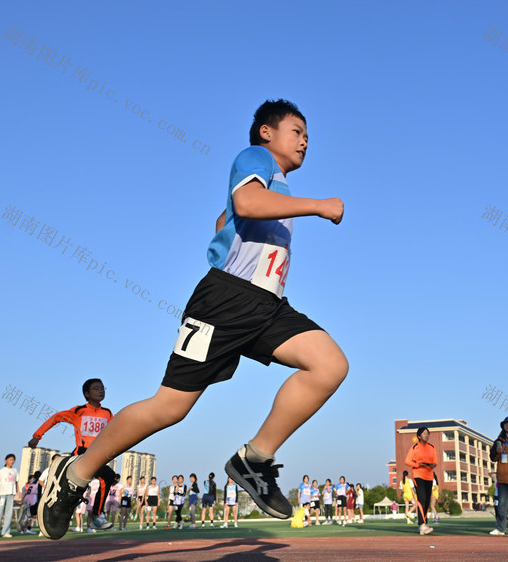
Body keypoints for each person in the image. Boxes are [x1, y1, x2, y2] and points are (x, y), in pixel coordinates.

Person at [36, 100, 348, 541]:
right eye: (297, 130)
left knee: (330, 364)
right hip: (224, 303)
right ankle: (75, 473)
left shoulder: (276, 185)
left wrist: (228, 233)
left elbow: (227, 216)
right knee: (171, 407)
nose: (304, 140)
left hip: (267, 306)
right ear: (265, 133)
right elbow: (245, 200)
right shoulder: (254, 159)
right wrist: (318, 206)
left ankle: (254, 459)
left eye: (308, 136)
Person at [29, 378, 117, 532]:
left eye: (103, 388)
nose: (101, 390)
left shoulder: (108, 413)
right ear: (87, 393)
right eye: (96, 388)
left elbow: (117, 430)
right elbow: (56, 418)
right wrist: (37, 436)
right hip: (82, 453)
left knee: (107, 477)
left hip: (99, 454)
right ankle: (31, 511)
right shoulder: (78, 411)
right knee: (64, 492)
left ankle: (97, 515)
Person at [404, 426, 437, 535]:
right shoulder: (414, 447)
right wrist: (418, 464)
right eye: (424, 433)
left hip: (429, 475)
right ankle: (422, 524)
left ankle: (423, 525)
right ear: (419, 436)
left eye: (428, 433)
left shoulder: (432, 447)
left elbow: (435, 462)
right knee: (421, 499)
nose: (426, 435)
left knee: (427, 500)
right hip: (418, 475)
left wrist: (432, 465)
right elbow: (407, 461)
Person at [0, 453, 21, 538]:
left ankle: (6, 532)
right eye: (10, 459)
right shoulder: (2, 470)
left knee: (9, 513)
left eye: (13, 460)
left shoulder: (15, 470)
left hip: (11, 494)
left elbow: (16, 482)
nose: (12, 461)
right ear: (6, 460)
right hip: (2, 494)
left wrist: (18, 492)